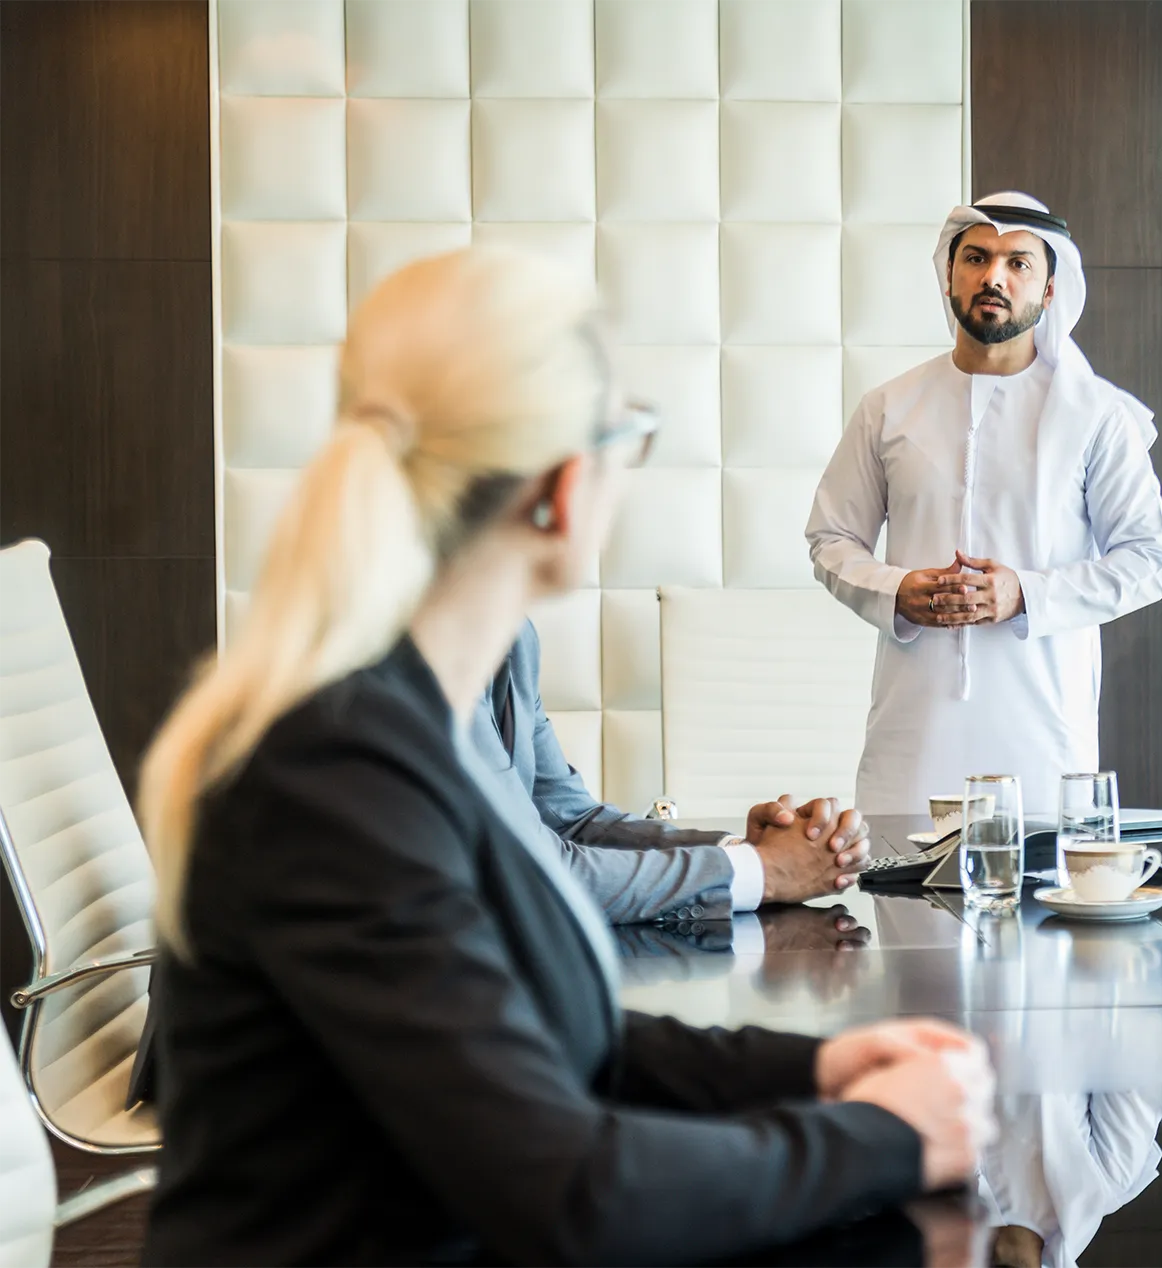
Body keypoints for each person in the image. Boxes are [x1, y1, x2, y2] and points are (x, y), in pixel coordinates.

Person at [135, 246, 994, 1266]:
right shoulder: (338, 769)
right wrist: (890, 1134)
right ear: (562, 484)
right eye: (630, 436)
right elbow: (573, 1193)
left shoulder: (424, 712)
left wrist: (820, 1069)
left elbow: (545, 1031)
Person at [806, 193, 1162, 815]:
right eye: (975, 257)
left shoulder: (1095, 416)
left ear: (1050, 290)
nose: (993, 276)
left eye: (1018, 263)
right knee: (905, 903)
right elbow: (831, 539)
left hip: (1044, 739)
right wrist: (896, 589)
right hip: (911, 738)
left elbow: (1147, 561)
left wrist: (1022, 594)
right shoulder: (888, 408)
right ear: (949, 275)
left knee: (1045, 909)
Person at [478, 618, 869, 923]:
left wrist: (743, 852)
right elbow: (531, 873)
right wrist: (765, 869)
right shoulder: (428, 653)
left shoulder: (514, 634)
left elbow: (571, 820)